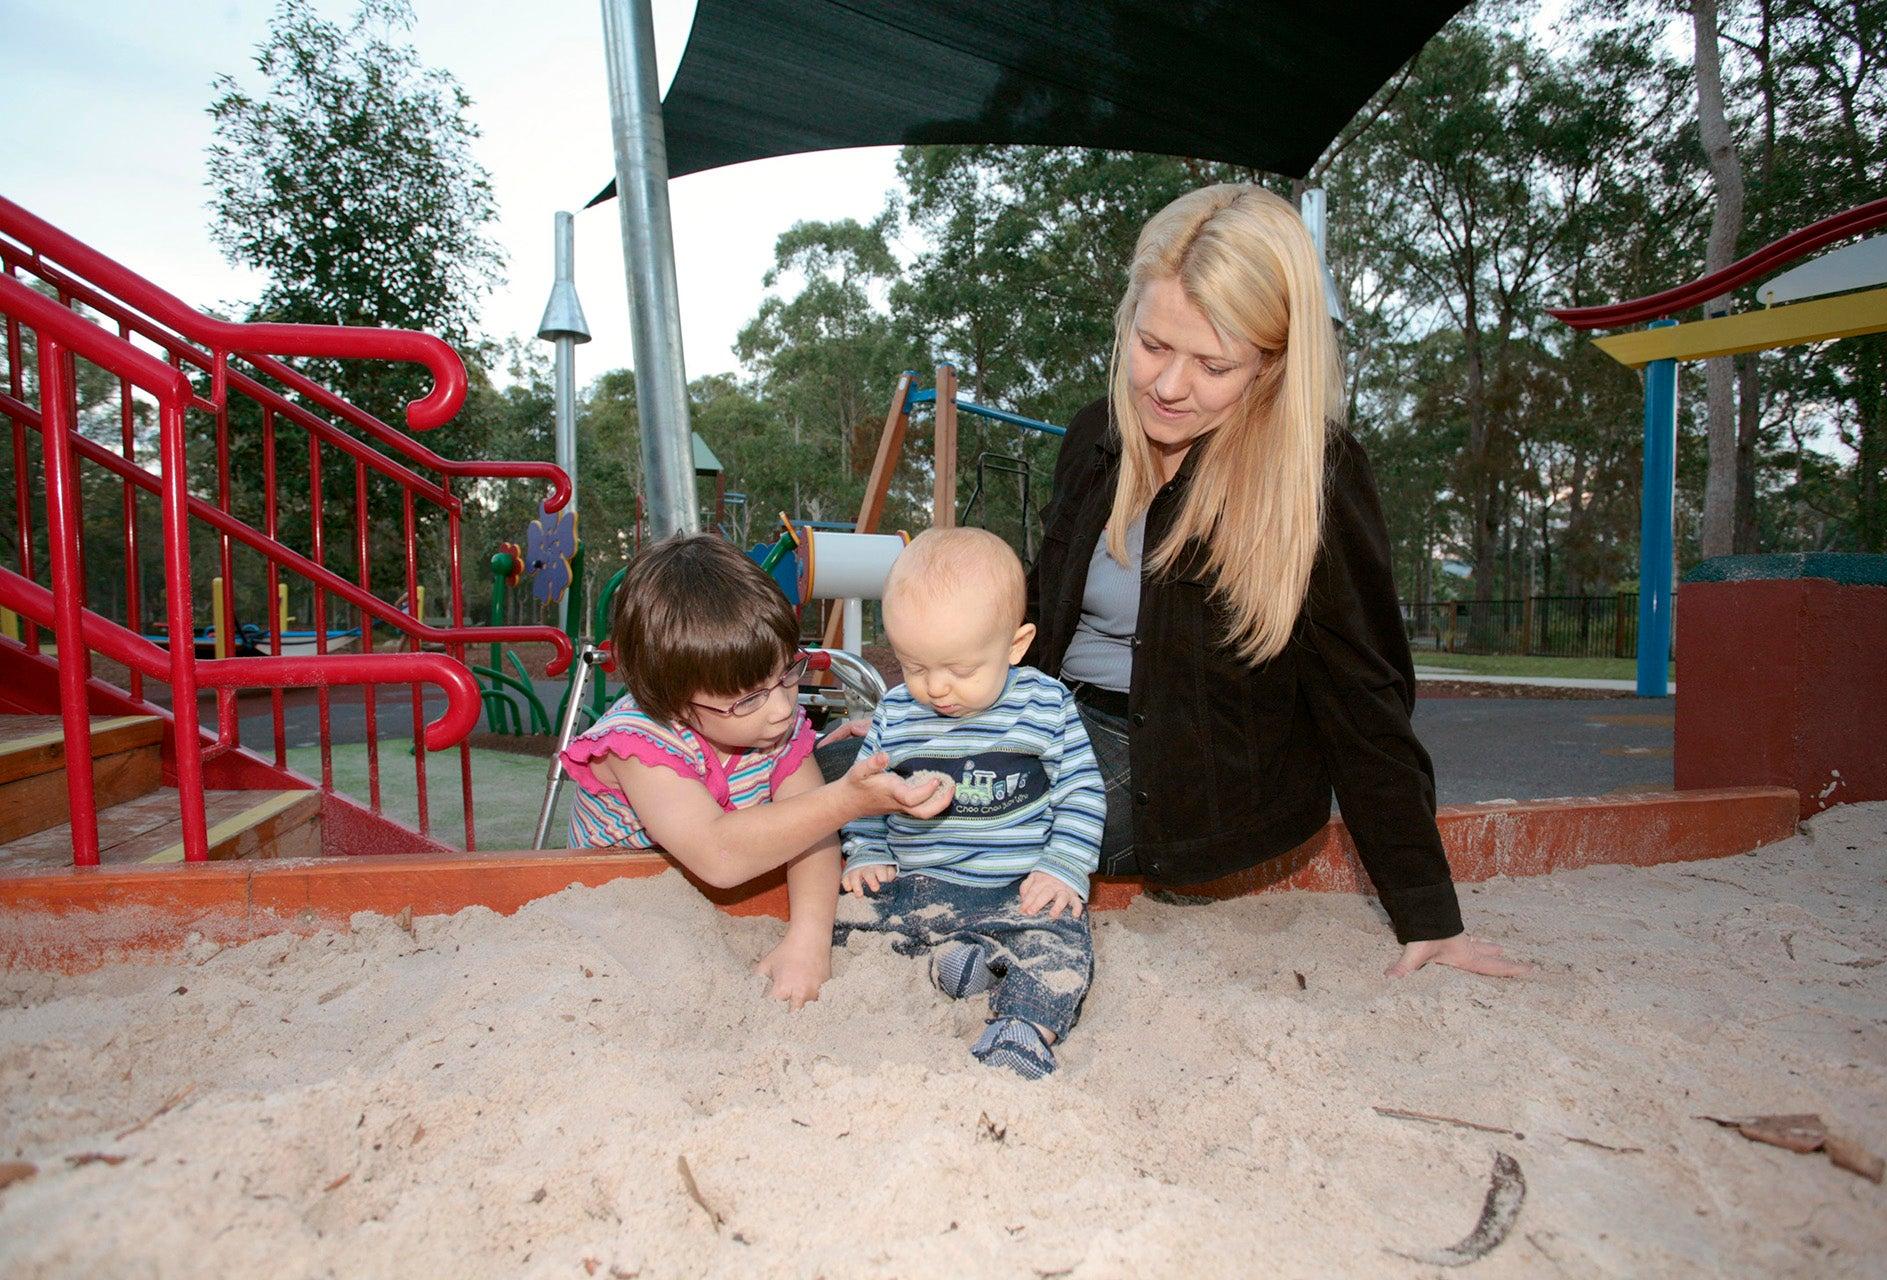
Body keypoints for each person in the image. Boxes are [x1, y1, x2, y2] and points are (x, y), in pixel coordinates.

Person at [1026, 182, 1523, 979]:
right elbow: (1034, 613)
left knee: (953, 805)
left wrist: (1427, 911)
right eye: (1153, 345)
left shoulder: (1313, 478)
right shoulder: (1096, 435)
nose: (1169, 385)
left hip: (1174, 783)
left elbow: (1366, 696)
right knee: (865, 766)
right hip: (1047, 720)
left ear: (1274, 361)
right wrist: (929, 717)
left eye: (1214, 363)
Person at [561, 533, 951, 1010]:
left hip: (723, 898)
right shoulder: (638, 743)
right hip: (612, 912)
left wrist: (808, 940)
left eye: (788, 673)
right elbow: (718, 855)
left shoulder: (774, 730)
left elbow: (811, 826)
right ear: (673, 700)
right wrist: (848, 799)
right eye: (748, 698)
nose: (782, 708)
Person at [835, 528, 1106, 1079]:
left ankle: (1023, 1029)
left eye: (960, 670)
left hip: (1016, 891)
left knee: (1062, 949)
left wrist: (1063, 867)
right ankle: (958, 966)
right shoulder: (895, 712)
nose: (935, 688)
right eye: (914, 667)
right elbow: (863, 793)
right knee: (849, 923)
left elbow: (1082, 789)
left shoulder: (1046, 707)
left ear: (1015, 645)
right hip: (917, 885)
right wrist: (864, 851)